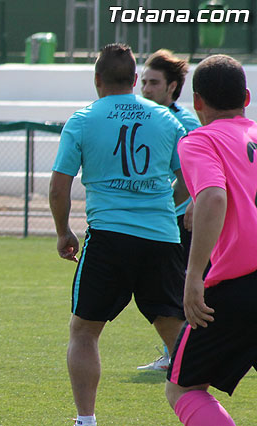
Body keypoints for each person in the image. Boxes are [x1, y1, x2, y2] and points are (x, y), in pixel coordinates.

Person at [49, 43, 189, 426]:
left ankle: (86, 420)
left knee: (84, 331)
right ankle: (199, 412)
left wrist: (64, 232)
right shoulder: (165, 119)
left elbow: (59, 187)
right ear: (133, 81)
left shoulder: (83, 119)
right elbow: (190, 179)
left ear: (97, 81)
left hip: (108, 237)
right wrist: (165, 205)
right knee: (175, 332)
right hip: (161, 238)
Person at [165, 54, 257, 426]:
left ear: (197, 101)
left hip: (237, 285)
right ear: (246, 98)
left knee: (184, 388)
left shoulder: (199, 140)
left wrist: (192, 277)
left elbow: (214, 196)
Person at [137, 49, 202, 371]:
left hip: (185, 219)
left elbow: (197, 173)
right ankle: (176, 354)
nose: (146, 89)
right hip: (165, 218)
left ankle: (184, 356)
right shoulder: (147, 117)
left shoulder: (184, 122)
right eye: (144, 82)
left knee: (181, 287)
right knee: (171, 288)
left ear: (172, 87)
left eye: (153, 83)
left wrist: (191, 205)